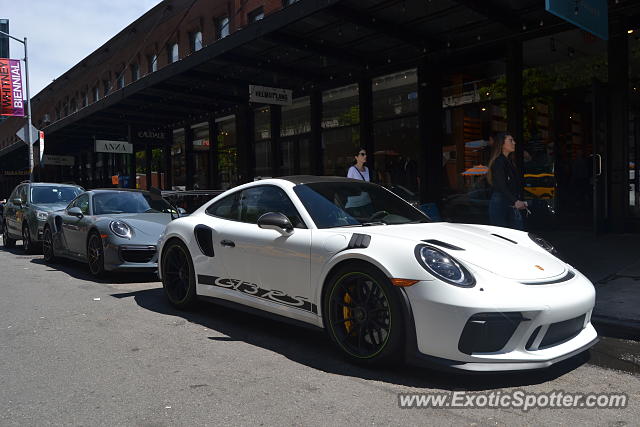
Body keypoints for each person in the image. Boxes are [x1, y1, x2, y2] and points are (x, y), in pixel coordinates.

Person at [487, 132, 527, 230]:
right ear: (502, 144)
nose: (514, 143)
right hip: (501, 201)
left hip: (508, 201)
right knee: (504, 235)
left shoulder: (508, 161)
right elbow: (501, 185)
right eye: (510, 140)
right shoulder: (499, 161)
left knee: (515, 233)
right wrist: (516, 201)